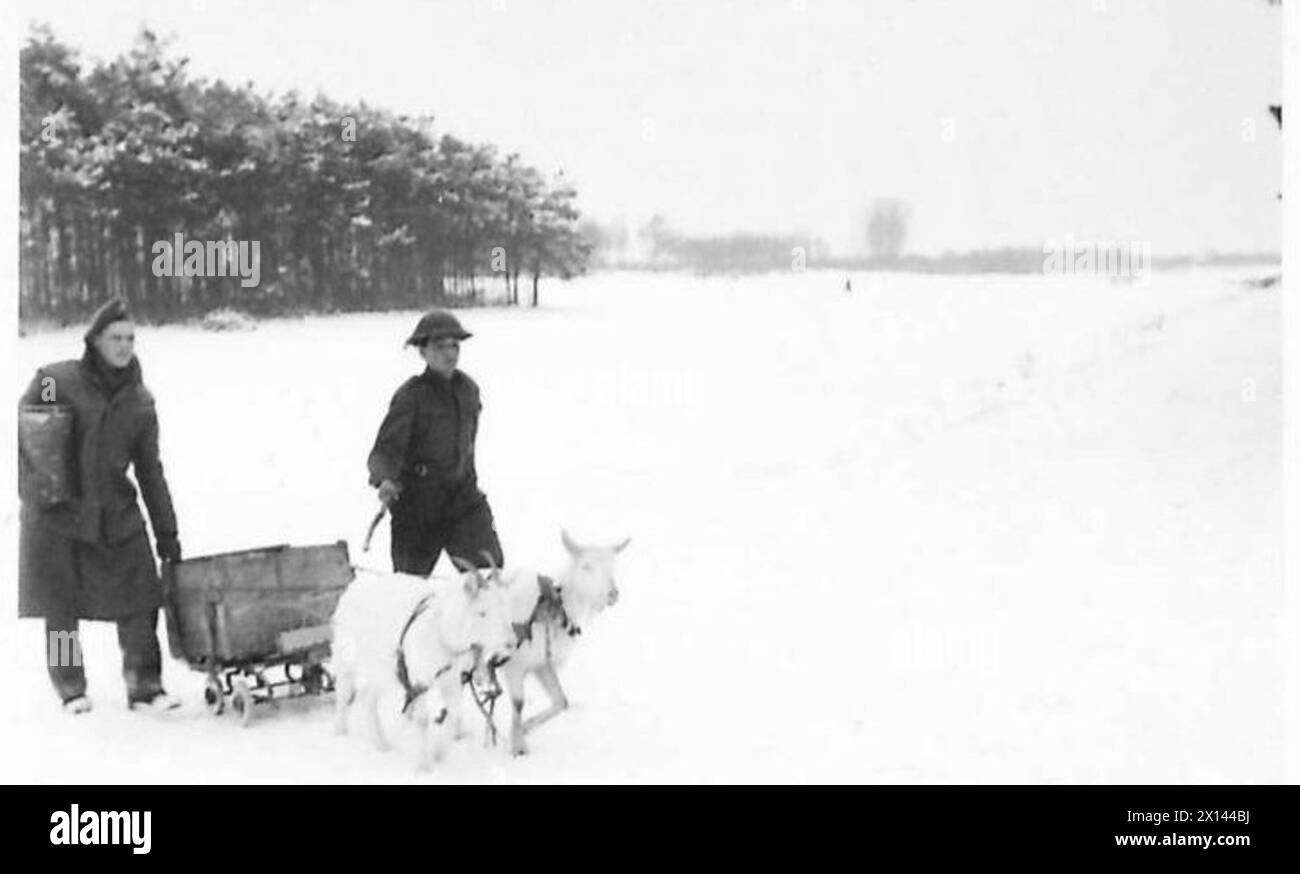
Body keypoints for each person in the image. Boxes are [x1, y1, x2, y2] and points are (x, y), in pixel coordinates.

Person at [18, 297, 183, 714]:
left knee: (141, 601)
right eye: (115, 338)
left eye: (130, 338)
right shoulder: (57, 378)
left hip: (116, 515)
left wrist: (168, 533)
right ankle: (70, 688)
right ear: (94, 340)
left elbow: (150, 470)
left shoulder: (140, 401)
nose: (124, 346)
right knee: (60, 609)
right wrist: (40, 489)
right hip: (59, 517)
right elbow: (34, 417)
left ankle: (145, 686)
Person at [367, 309, 504, 575]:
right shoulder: (411, 397)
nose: (449, 353)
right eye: (439, 347)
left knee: (489, 576)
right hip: (418, 506)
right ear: (423, 352)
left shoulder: (468, 390)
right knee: (410, 589)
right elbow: (384, 451)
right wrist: (385, 479)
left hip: (463, 501)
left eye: (454, 345)